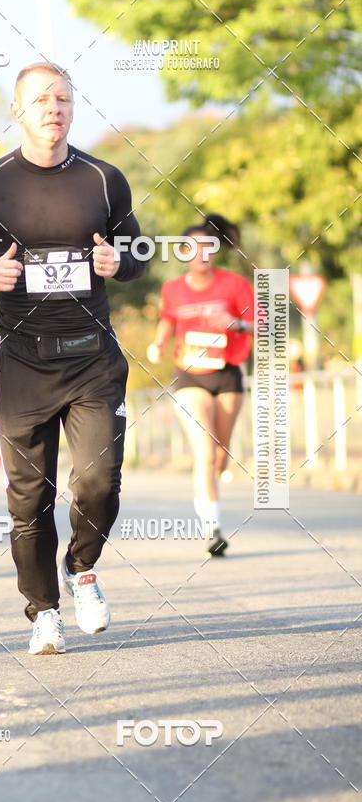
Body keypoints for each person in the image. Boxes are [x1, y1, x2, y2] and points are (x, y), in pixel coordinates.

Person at [0, 62, 145, 654]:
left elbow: (138, 253)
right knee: (30, 497)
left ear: (73, 108)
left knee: (99, 481)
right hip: (24, 361)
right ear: (17, 111)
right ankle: (43, 608)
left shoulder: (104, 180)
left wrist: (118, 265)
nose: (53, 108)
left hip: (93, 358)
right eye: (41, 99)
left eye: (64, 98)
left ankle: (82, 568)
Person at [148, 214, 254, 556]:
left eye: (207, 248)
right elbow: (168, 318)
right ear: (182, 252)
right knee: (205, 451)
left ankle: (216, 480)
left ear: (215, 250)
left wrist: (235, 323)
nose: (201, 254)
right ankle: (213, 529)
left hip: (227, 373)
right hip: (190, 375)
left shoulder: (235, 285)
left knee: (220, 454)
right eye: (192, 248)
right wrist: (159, 343)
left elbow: (264, 325)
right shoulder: (172, 289)